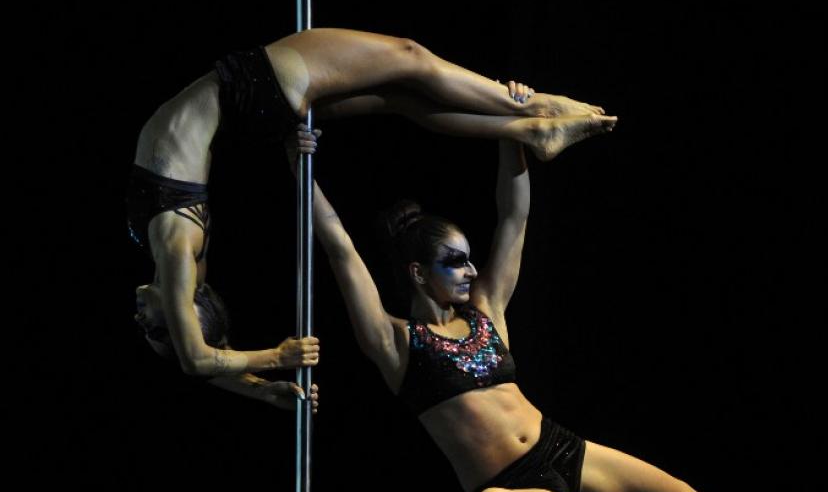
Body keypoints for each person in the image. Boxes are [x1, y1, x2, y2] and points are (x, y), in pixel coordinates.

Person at [305, 130, 719, 492]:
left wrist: (512, 131)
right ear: (417, 273)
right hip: (513, 490)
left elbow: (514, 215)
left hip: (561, 449)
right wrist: (298, 159)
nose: (471, 270)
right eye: (455, 261)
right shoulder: (395, 341)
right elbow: (338, 245)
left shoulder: (487, 312)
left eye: (469, 259)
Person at [130, 28, 615, 409]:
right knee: (410, 58)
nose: (139, 318)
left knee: (403, 100)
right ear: (187, 304)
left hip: (252, 107)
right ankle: (534, 110)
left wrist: (260, 389)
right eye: (157, 326)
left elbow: (199, 360)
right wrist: (277, 360)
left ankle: (528, 128)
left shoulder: (177, 262)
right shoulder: (176, 251)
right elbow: (196, 360)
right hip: (254, 88)